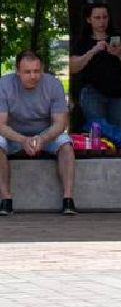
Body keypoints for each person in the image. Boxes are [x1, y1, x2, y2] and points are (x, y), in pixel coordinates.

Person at [0, 51, 76, 216]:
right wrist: (22, 140)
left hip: (45, 134)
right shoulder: (4, 85)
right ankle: (6, 200)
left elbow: (60, 123)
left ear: (41, 69)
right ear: (17, 71)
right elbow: (0, 125)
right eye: (27, 72)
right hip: (13, 135)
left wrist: (42, 138)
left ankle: (68, 199)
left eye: (36, 71)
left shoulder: (54, 84)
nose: (33, 76)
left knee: (66, 144)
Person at [67, 0, 121, 147]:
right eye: (97, 18)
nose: (102, 21)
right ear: (89, 20)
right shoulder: (82, 42)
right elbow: (73, 67)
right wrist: (93, 50)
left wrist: (120, 54)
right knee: (100, 134)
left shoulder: (118, 40)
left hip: (120, 95)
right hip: (93, 93)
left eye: (105, 17)